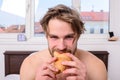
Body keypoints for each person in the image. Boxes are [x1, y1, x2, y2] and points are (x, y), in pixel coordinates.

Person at [20, 4, 107, 80]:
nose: (61, 47)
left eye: (68, 37)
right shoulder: (30, 65)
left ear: (78, 36)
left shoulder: (96, 67)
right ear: (46, 36)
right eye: (54, 37)